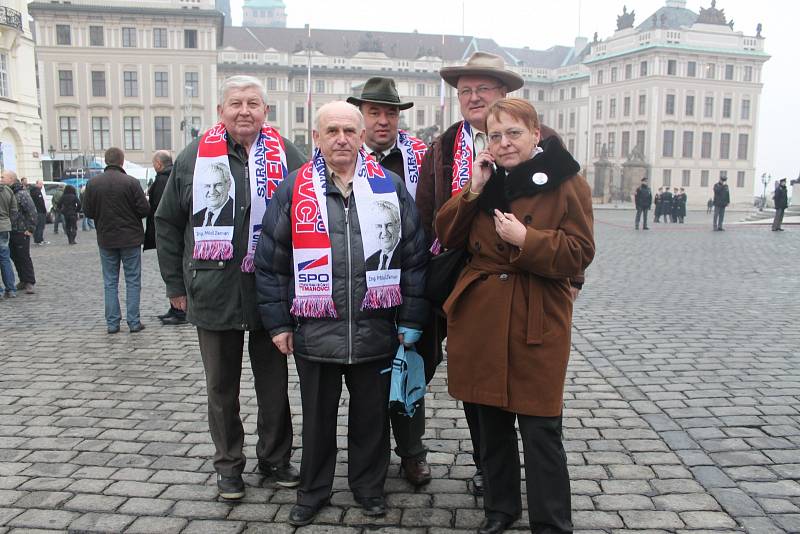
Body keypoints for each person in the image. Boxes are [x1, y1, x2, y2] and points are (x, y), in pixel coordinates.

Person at [254, 101, 429, 526]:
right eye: (331, 130)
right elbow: (271, 261)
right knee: (316, 422)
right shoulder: (295, 188)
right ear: (317, 138)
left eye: (350, 130)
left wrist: (410, 318)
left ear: (362, 136)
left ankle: (369, 488)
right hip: (315, 332)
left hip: (375, 329)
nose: (341, 138)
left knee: (371, 422)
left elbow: (414, 257)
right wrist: (277, 323)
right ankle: (313, 491)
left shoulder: (388, 187)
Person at [436, 98, 594, 534]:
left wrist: (528, 238)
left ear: (535, 135)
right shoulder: (486, 180)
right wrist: (472, 188)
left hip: (536, 314)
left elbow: (581, 252)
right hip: (481, 316)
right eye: (495, 135)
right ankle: (500, 510)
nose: (504, 144)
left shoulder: (566, 180)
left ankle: (551, 522)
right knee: (492, 425)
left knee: (542, 428)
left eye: (514, 134)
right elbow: (447, 234)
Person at [416, 51, 562, 497]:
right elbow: (427, 215)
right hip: (462, 286)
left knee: (528, 389)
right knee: (476, 388)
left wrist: (563, 279)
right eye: (466, 91)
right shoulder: (442, 146)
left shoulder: (547, 142)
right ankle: (490, 469)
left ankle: (533, 487)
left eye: (483, 89)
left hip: (525, 280)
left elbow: (567, 219)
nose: (474, 97)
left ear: (504, 94)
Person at [156, 75, 305, 501]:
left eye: (253, 103)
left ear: (266, 112)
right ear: (221, 110)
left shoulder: (288, 155)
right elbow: (167, 222)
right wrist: (174, 283)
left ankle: (275, 457)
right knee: (221, 386)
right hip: (213, 287)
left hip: (270, 290)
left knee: (273, 384)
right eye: (236, 103)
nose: (245, 110)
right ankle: (229, 464)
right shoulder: (193, 157)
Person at [347, 76, 433, 485]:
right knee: (367, 379)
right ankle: (371, 458)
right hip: (361, 290)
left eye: (391, 113)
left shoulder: (421, 157)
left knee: (412, 369)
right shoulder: (339, 157)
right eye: (374, 112)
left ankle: (412, 451)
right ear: (360, 116)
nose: (383, 120)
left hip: (411, 283)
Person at [83, 147, 151, 333]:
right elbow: (145, 209)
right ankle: (134, 321)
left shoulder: (93, 184)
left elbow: (88, 212)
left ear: (106, 161)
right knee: (133, 280)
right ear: (122, 162)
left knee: (110, 282)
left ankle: (112, 324)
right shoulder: (131, 182)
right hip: (130, 238)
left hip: (106, 238)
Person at [144, 150, 186, 325]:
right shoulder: (172, 176)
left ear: (159, 164)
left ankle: (178, 309)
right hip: (172, 231)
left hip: (167, 232)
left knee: (172, 267)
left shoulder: (162, 180)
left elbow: (164, 212)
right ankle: (175, 308)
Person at [2, 170, 37, 294]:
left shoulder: (21, 193)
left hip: (21, 230)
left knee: (23, 256)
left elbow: (31, 211)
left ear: (11, 179)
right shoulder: (6, 192)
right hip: (9, 230)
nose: (1, 179)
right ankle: (23, 279)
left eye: (3, 177)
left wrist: (31, 228)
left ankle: (29, 281)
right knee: (14, 257)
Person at [0, 176, 18, 298]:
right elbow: (14, 210)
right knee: (5, 259)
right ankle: (11, 289)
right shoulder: (7, 190)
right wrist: (8, 222)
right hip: (5, 227)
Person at [30, 180, 48, 245]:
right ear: (37, 184)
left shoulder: (33, 191)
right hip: (40, 211)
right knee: (40, 226)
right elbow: (40, 203)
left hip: (36, 211)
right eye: (40, 184)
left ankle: (38, 239)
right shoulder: (37, 192)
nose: (42, 186)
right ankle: (39, 240)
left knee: (37, 226)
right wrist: (44, 210)